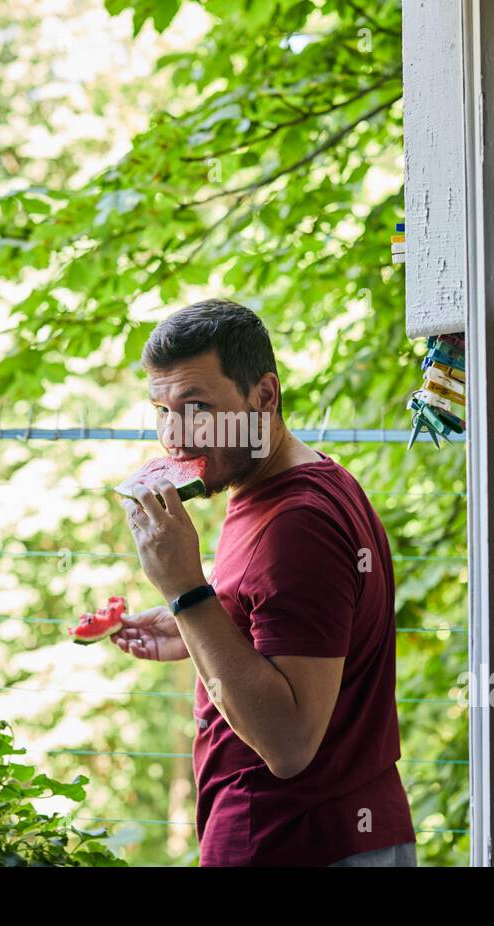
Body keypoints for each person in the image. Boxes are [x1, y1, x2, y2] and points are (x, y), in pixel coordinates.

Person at [114, 299, 417, 866]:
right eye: (161, 409)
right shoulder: (298, 481)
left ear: (265, 396)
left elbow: (290, 742)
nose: (173, 437)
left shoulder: (295, 524)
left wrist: (184, 590)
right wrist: (198, 624)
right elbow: (295, 638)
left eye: (198, 407)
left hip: (298, 840)